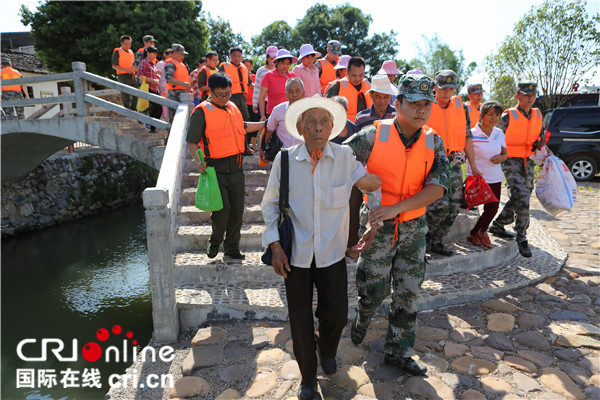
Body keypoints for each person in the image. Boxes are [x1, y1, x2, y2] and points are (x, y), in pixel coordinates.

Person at [262, 96, 382, 400]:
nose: (318, 127)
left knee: (338, 315)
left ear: (332, 127)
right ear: (300, 127)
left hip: (331, 253)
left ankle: (326, 347)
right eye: (311, 122)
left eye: (324, 122)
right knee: (299, 319)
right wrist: (275, 246)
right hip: (295, 255)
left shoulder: (344, 156)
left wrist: (375, 220)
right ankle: (307, 376)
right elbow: (269, 204)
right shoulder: (285, 160)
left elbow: (369, 184)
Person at [344, 74, 449, 376]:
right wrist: (364, 186)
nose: (421, 110)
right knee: (374, 291)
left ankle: (399, 351)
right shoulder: (373, 135)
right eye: (414, 103)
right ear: (398, 103)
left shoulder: (433, 140)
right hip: (378, 228)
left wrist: (398, 208)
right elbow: (342, 160)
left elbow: (438, 187)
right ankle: (363, 317)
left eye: (426, 104)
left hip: (414, 229)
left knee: (407, 293)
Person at [186, 72, 266, 260]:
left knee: (237, 211)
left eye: (227, 94)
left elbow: (243, 126)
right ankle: (214, 242)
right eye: (220, 95)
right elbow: (191, 141)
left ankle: (232, 247)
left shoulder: (233, 107)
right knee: (223, 210)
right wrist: (198, 162)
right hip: (215, 169)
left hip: (237, 168)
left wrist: (265, 124)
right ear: (210, 92)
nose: (224, 98)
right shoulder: (201, 111)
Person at [488, 82, 549, 258]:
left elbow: (541, 135)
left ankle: (498, 225)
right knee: (521, 195)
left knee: (523, 194)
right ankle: (522, 236)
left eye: (533, 94)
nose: (530, 97)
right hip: (510, 159)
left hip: (528, 159)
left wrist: (543, 148)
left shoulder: (538, 114)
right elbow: (495, 136)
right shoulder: (508, 116)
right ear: (518, 95)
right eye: (526, 94)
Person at [425, 69, 480, 256]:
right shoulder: (426, 105)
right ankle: (424, 239)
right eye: (443, 88)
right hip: (432, 162)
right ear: (435, 88)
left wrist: (473, 165)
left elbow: (467, 136)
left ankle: (436, 241)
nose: (447, 92)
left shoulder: (461, 107)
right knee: (438, 205)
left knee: (455, 204)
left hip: (455, 162)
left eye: (450, 88)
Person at [466, 101, 507, 248]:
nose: (494, 118)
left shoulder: (499, 133)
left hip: (495, 176)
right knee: (477, 206)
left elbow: (505, 154)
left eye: (497, 115)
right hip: (478, 176)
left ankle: (480, 232)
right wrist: (473, 168)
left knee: (493, 207)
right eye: (490, 114)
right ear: (482, 115)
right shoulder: (471, 133)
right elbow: (466, 155)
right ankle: (477, 233)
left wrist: (501, 158)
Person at [259, 77, 305, 164]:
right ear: (286, 94)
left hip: (303, 156)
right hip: (283, 156)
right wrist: (262, 149)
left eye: (297, 91)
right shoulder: (278, 110)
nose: (294, 94)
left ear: (304, 92)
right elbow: (269, 130)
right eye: (290, 91)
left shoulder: (310, 111)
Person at [326, 56, 372, 122]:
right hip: (345, 128)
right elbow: (326, 110)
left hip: (365, 127)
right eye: (354, 75)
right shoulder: (337, 87)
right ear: (347, 72)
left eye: (361, 75)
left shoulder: (369, 86)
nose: (357, 79)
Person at [258, 49, 297, 121]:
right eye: (283, 63)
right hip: (273, 114)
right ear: (277, 62)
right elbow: (261, 97)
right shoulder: (268, 76)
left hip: (290, 113)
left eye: (288, 63)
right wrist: (262, 115)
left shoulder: (292, 76)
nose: (285, 66)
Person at [219, 46, 253, 122]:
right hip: (229, 97)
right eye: (234, 55)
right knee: (231, 119)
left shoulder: (244, 68)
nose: (237, 58)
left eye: (239, 56)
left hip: (242, 97)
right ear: (230, 55)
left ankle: (244, 134)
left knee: (245, 118)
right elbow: (218, 83)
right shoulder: (224, 67)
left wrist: (262, 87)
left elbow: (250, 84)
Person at [136, 46, 162, 132]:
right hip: (148, 88)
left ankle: (152, 127)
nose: (155, 55)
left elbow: (153, 76)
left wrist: (157, 77)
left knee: (157, 108)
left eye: (156, 54)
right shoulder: (144, 62)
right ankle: (149, 121)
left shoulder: (152, 63)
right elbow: (139, 75)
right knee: (158, 108)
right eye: (153, 53)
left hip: (155, 88)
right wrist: (152, 80)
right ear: (148, 53)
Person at [164, 43, 192, 125]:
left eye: (183, 54)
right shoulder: (171, 63)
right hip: (174, 94)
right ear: (173, 53)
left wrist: (188, 88)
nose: (182, 56)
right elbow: (168, 78)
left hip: (184, 94)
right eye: (180, 54)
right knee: (174, 119)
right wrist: (183, 84)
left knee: (183, 119)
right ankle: (169, 137)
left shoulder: (182, 65)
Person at [111, 35, 138, 111]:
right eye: (126, 44)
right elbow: (114, 66)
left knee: (137, 92)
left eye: (129, 44)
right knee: (125, 95)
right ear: (121, 43)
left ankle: (133, 109)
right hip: (122, 76)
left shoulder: (131, 52)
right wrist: (126, 69)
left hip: (132, 75)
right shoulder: (117, 52)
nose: (128, 46)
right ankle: (127, 111)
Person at [252, 46, 278, 118]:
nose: (273, 62)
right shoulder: (261, 71)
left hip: (275, 101)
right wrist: (255, 103)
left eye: (275, 59)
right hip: (263, 102)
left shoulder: (279, 71)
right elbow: (257, 88)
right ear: (267, 58)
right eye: (271, 59)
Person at [243, 58, 260, 151]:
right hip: (244, 104)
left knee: (255, 123)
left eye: (249, 66)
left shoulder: (255, 77)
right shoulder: (240, 77)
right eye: (246, 66)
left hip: (254, 103)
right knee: (246, 124)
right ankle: (246, 145)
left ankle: (254, 145)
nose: (248, 68)